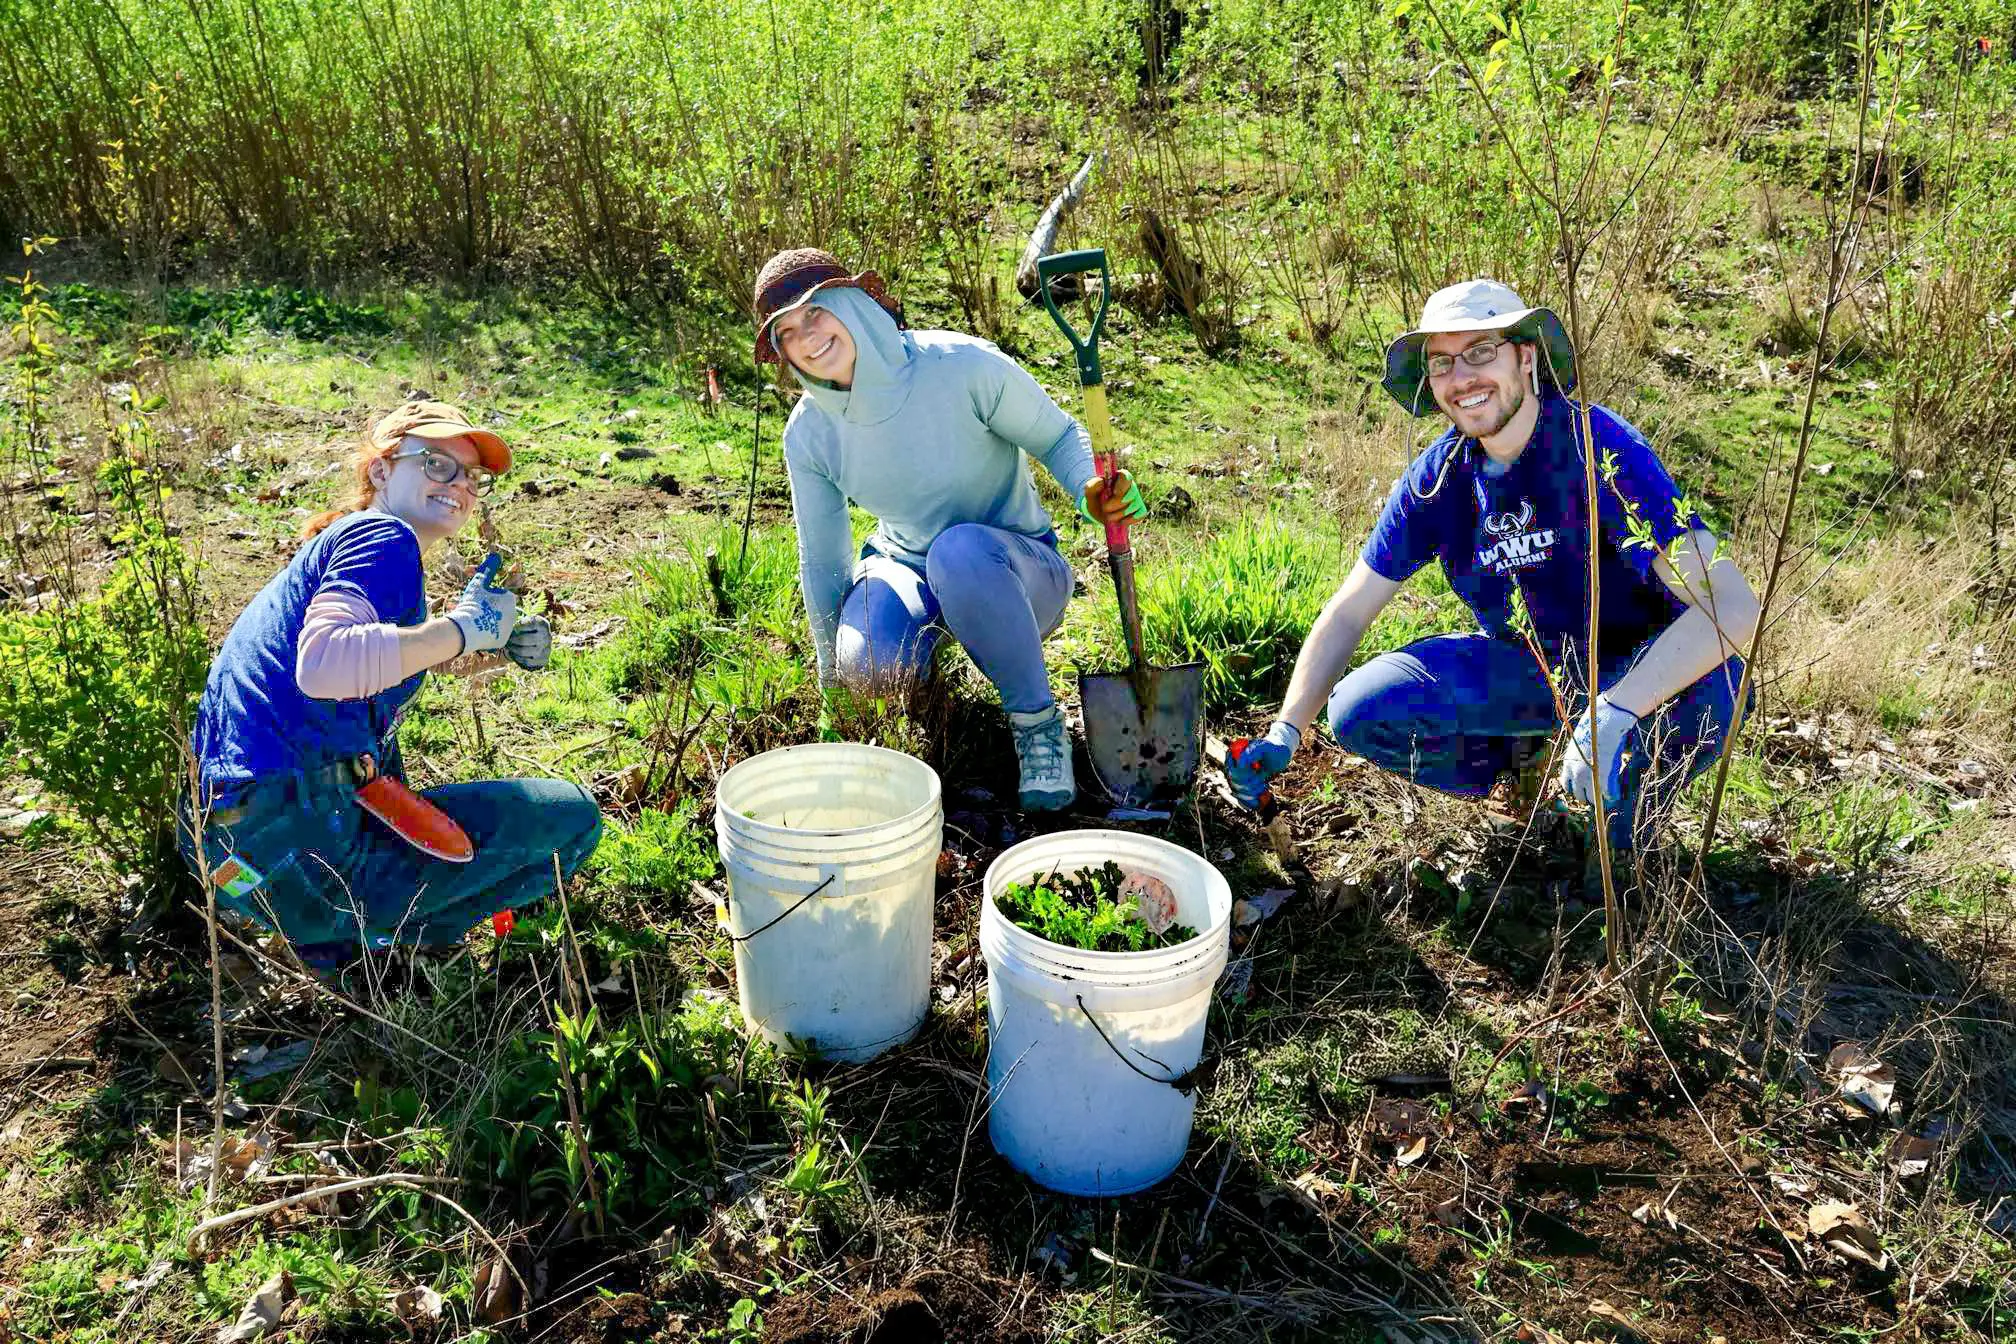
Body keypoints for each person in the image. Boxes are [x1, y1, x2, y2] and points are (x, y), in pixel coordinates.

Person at [1228, 280, 1760, 862]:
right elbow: (1351, 609)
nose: (1462, 379)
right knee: (1364, 707)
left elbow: (1732, 607)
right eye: (1441, 363)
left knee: (1721, 686)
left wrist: (1615, 711)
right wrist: (1286, 731)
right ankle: (1526, 775)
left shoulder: (1596, 446)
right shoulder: (1437, 480)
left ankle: (1625, 810)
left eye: (1481, 351)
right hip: (1531, 670)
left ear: (1525, 358)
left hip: (1642, 668)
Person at [182, 401, 603, 970]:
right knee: (575, 816)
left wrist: (488, 645)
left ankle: (343, 944)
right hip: (301, 845)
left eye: (470, 476)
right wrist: (459, 630)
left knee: (377, 745)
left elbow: (377, 665)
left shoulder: (346, 543)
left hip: (231, 859)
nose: (458, 484)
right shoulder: (384, 538)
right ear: (381, 470)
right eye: (435, 463)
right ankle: (378, 933)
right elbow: (326, 664)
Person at [753, 248, 1145, 811]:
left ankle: (1037, 724)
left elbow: (1059, 437)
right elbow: (823, 564)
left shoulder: (960, 366)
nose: (807, 338)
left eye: (815, 313)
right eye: (787, 332)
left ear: (854, 302)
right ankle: (939, 708)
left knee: (958, 552)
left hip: (1016, 570)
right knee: (866, 664)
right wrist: (831, 689)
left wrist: (1092, 488)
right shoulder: (811, 433)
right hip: (904, 567)